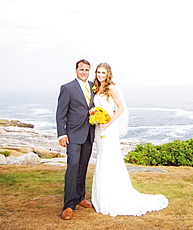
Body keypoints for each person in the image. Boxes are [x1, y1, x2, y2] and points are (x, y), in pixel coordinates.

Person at [91, 62, 168, 216]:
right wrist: (95, 117)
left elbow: (120, 108)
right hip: (98, 128)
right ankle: (101, 195)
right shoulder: (96, 88)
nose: (100, 75)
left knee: (109, 159)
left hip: (108, 127)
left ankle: (113, 196)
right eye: (98, 72)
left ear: (108, 74)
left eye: (103, 73)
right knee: (101, 158)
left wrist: (108, 123)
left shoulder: (111, 87)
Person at [56, 59, 95, 220]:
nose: (84, 72)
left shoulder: (94, 86)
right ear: (76, 70)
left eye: (86, 70)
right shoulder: (67, 88)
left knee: (82, 167)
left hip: (89, 134)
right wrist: (61, 134)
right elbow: (60, 114)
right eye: (81, 69)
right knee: (72, 166)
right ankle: (68, 205)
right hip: (72, 135)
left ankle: (80, 197)